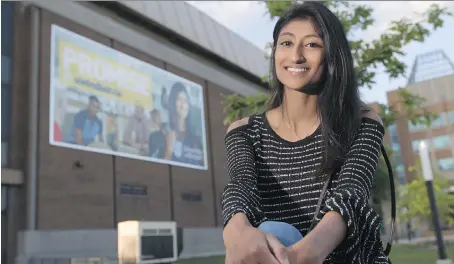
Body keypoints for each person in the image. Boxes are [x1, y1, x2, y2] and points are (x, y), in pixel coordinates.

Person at [221, 2, 389, 264]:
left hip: (338, 257)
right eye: (286, 43)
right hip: (275, 252)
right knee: (270, 233)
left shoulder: (362, 123)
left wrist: (302, 255)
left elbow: (350, 197)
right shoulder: (245, 132)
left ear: (332, 55)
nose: (296, 56)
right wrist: (237, 230)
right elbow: (241, 187)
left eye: (312, 45)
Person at [164, 82, 204, 167]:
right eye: (179, 99)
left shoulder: (197, 139)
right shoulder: (164, 135)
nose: (183, 104)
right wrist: (169, 151)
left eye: (186, 100)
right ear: (172, 102)